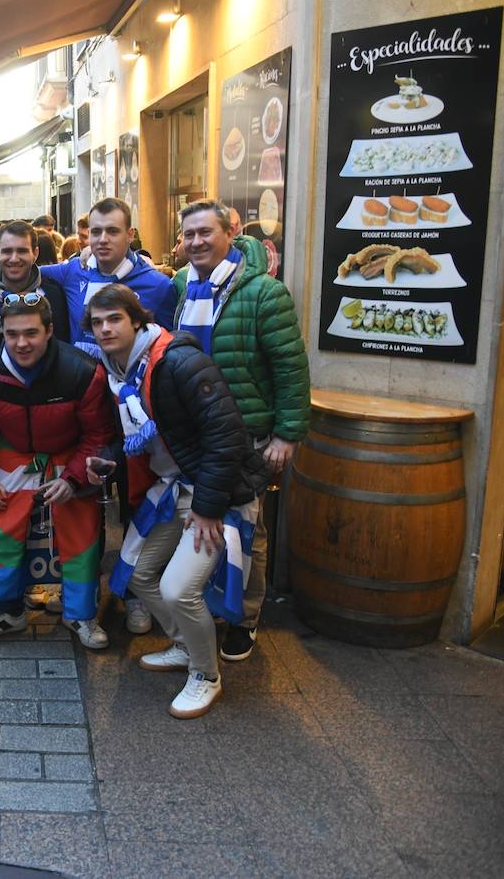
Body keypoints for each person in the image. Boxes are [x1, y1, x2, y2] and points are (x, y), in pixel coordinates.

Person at [87, 284, 267, 718]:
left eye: (115, 319)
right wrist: (108, 460)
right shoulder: (119, 372)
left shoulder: (178, 361)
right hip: (174, 488)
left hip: (216, 494)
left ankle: (207, 675)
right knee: (137, 572)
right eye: (97, 322)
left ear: (137, 321)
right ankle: (187, 647)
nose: (106, 328)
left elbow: (226, 438)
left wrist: (208, 508)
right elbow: (136, 438)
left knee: (178, 587)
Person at [169, 199, 310, 662]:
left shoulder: (265, 294)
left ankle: (244, 619)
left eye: (205, 233)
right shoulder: (181, 285)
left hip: (248, 435)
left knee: (249, 530)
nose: (196, 242)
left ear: (230, 232)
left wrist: (287, 434)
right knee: (198, 525)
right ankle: (206, 610)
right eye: (188, 235)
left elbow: (291, 369)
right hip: (194, 436)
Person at [0, 295, 114, 648]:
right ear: (2, 333)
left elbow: (99, 433)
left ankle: (80, 614)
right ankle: (8, 611)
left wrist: (74, 480)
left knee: (81, 536)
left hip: (70, 454)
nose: (21, 343)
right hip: (14, 453)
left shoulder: (81, 370)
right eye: (12, 334)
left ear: (49, 330)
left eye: (31, 333)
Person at [0, 198, 178, 360]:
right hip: (81, 388)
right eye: (96, 232)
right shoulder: (73, 270)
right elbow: (25, 268)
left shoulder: (158, 286)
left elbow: (168, 348)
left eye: (113, 231)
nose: (103, 239)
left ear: (130, 235)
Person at [0, 220, 71, 346]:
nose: (14, 259)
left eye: (22, 251)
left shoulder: (54, 294)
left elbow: (61, 345)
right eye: (7, 251)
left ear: (35, 254)